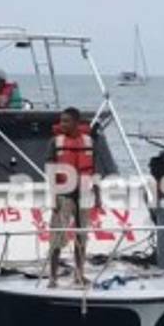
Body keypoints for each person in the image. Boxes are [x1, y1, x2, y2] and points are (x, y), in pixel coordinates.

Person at [46, 107, 97, 288]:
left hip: (84, 193)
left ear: (76, 122)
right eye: (61, 121)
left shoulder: (89, 142)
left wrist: (97, 195)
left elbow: (94, 169)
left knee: (81, 237)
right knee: (57, 237)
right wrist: (52, 199)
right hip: (63, 194)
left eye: (66, 121)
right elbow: (51, 172)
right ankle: (53, 277)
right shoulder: (55, 142)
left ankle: (79, 274)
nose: (62, 124)